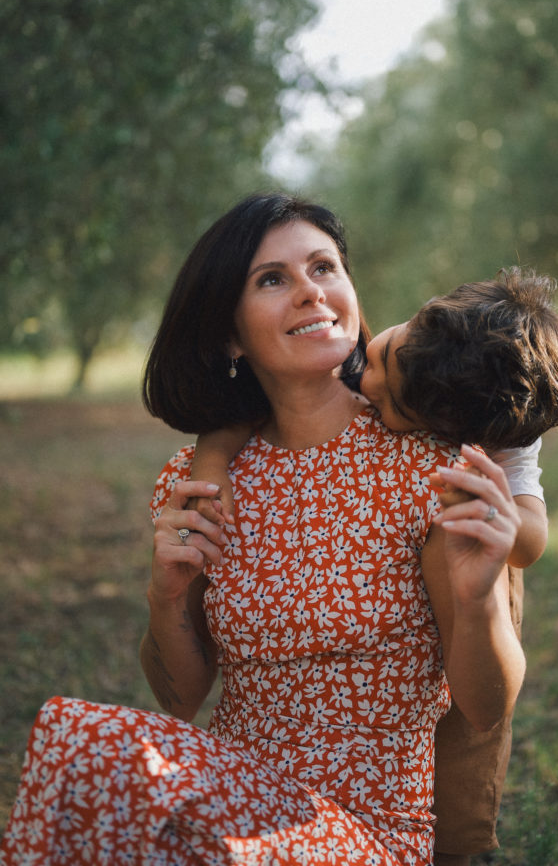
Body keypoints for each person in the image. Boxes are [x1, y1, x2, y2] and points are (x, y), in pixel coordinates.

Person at [0, 192, 528, 866]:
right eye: (273, 279)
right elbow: (179, 697)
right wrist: (164, 597)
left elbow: (485, 712)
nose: (311, 292)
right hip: (228, 790)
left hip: (366, 828)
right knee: (78, 736)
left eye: (324, 267)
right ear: (229, 333)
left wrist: (481, 597)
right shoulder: (199, 482)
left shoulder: (429, 467)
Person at [187, 265, 558, 864]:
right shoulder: (418, 350)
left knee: (466, 744)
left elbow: (530, 542)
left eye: (391, 402)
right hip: (257, 773)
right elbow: (246, 410)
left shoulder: (485, 443)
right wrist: (211, 459)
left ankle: (458, 847)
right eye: (380, 355)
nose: (367, 382)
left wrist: (501, 528)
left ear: (441, 432)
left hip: (472, 557)